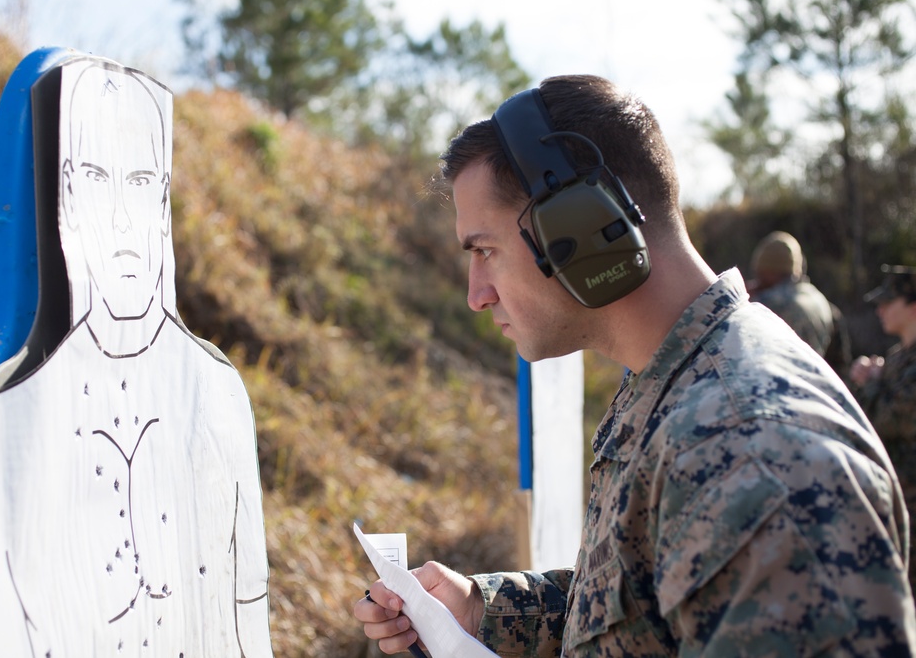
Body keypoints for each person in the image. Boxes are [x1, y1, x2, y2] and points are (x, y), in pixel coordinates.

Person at [354, 75, 916, 656]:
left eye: (486, 251)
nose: (476, 295)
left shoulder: (755, 452)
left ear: (581, 229)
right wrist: (480, 612)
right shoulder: (675, 385)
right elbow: (642, 612)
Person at [0, 58, 272, 656]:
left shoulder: (218, 392)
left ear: (162, 198)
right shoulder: (6, 424)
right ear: (67, 193)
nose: (119, 219)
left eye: (137, 182)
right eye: (96, 179)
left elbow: (246, 615)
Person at [850, 264, 916, 593]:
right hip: (897, 495)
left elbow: (889, 421)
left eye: (889, 302)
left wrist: (871, 383)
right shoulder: (898, 356)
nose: (880, 309)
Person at [746, 230, 838, 356]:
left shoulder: (769, 305)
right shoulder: (821, 300)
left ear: (769, 272)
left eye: (760, 274)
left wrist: (742, 299)